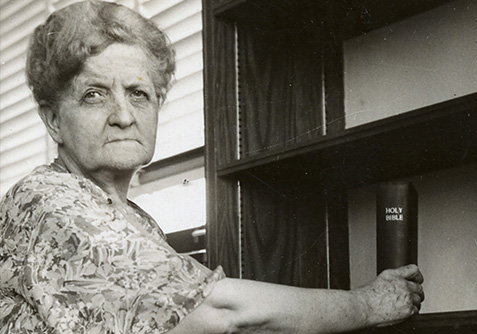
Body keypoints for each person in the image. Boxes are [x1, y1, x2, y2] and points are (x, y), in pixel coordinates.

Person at [0, 1, 424, 333]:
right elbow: (216, 311)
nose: (123, 116)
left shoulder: (133, 220)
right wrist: (369, 305)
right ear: (53, 119)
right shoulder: (48, 201)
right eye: (94, 94)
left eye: (139, 93)